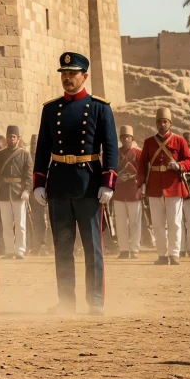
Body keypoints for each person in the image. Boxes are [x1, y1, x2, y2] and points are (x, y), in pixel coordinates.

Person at [31, 52, 117, 315]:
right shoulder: (51, 109)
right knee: (63, 247)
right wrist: (39, 182)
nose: (67, 78)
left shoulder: (100, 107)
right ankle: (66, 301)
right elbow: (42, 148)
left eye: (72, 73)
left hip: (89, 183)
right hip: (58, 184)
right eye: (64, 73)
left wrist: (108, 182)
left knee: (92, 248)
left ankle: (96, 301)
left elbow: (111, 147)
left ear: (85, 76)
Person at [139, 107, 190, 266]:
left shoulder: (179, 141)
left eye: (165, 121)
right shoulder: (149, 142)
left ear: (170, 123)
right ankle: (162, 255)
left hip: (174, 186)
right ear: (156, 124)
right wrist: (141, 183)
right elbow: (142, 165)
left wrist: (179, 165)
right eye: (159, 122)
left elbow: (189, 161)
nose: (162, 124)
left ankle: (174, 254)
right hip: (154, 187)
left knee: (175, 223)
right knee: (157, 223)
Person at [0, 126, 32, 259]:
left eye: (14, 137)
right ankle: (9, 250)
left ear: (18, 138)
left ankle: (20, 250)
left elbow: (28, 176)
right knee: (6, 224)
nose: (11, 139)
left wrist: (27, 190)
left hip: (19, 192)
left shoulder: (25, 154)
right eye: (9, 136)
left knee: (20, 223)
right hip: (4, 192)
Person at [112, 125, 145, 259]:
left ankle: (135, 249)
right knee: (120, 223)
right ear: (120, 138)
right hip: (119, 191)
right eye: (123, 136)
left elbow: (143, 171)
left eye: (128, 137)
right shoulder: (115, 153)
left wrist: (139, 183)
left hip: (133, 190)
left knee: (135, 222)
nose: (126, 139)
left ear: (132, 138)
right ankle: (124, 249)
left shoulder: (138, 153)